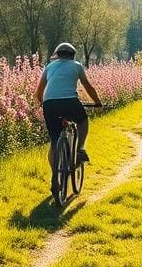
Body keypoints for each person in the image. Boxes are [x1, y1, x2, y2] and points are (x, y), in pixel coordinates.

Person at [35, 42, 101, 195]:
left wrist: (42, 104)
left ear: (57, 55)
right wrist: (97, 102)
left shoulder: (49, 67)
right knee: (83, 120)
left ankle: (55, 175)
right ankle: (80, 149)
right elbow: (87, 86)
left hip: (49, 104)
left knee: (53, 142)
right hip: (70, 101)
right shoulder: (76, 66)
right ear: (72, 55)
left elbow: (39, 91)